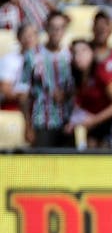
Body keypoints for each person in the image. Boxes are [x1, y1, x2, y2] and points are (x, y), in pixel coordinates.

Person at [20, 11, 74, 147]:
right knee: (43, 166)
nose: (56, 31)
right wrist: (28, 126)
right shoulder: (32, 56)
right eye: (53, 27)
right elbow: (24, 93)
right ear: (46, 28)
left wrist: (67, 94)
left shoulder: (70, 56)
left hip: (67, 121)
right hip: (42, 120)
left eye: (60, 27)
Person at [68, 38, 112, 148]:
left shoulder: (101, 73)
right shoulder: (77, 78)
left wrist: (95, 120)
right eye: (75, 52)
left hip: (110, 127)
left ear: (92, 53)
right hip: (93, 129)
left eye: (83, 51)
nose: (78, 56)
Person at [0, 21, 36, 110]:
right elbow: (5, 89)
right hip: (15, 105)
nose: (29, 38)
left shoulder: (44, 59)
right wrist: (22, 95)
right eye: (26, 35)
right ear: (18, 37)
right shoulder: (9, 59)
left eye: (32, 35)